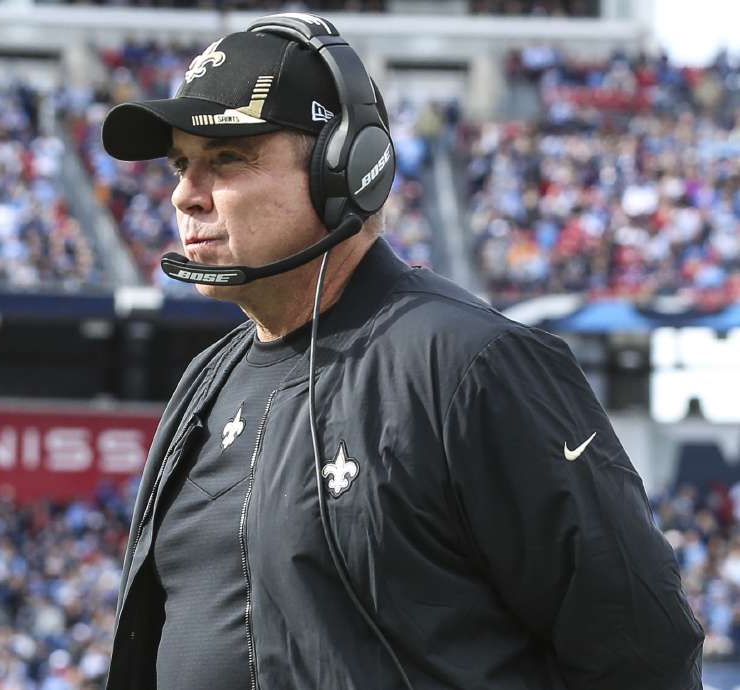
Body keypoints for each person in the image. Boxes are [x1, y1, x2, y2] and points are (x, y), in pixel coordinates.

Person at [98, 12, 703, 690]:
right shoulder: (205, 382)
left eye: (227, 158)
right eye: (181, 164)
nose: (185, 194)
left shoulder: (475, 368)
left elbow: (641, 655)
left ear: (344, 171)